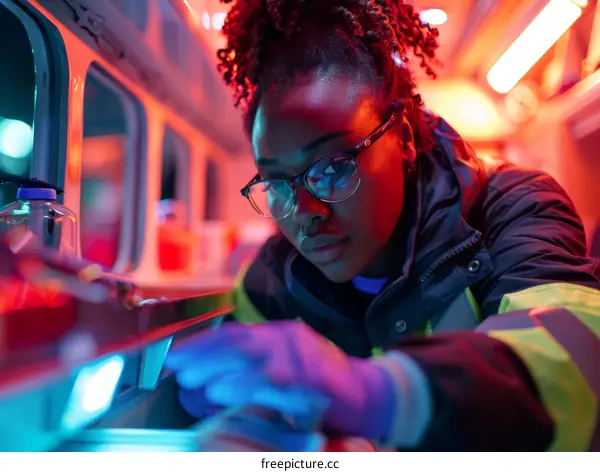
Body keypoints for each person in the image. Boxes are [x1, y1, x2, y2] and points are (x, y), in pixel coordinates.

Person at [166, 0, 600, 451]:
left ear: (404, 140)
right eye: (277, 181)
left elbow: (573, 363)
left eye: (333, 167)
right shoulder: (269, 281)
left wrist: (384, 395)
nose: (305, 211)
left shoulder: (516, 207)